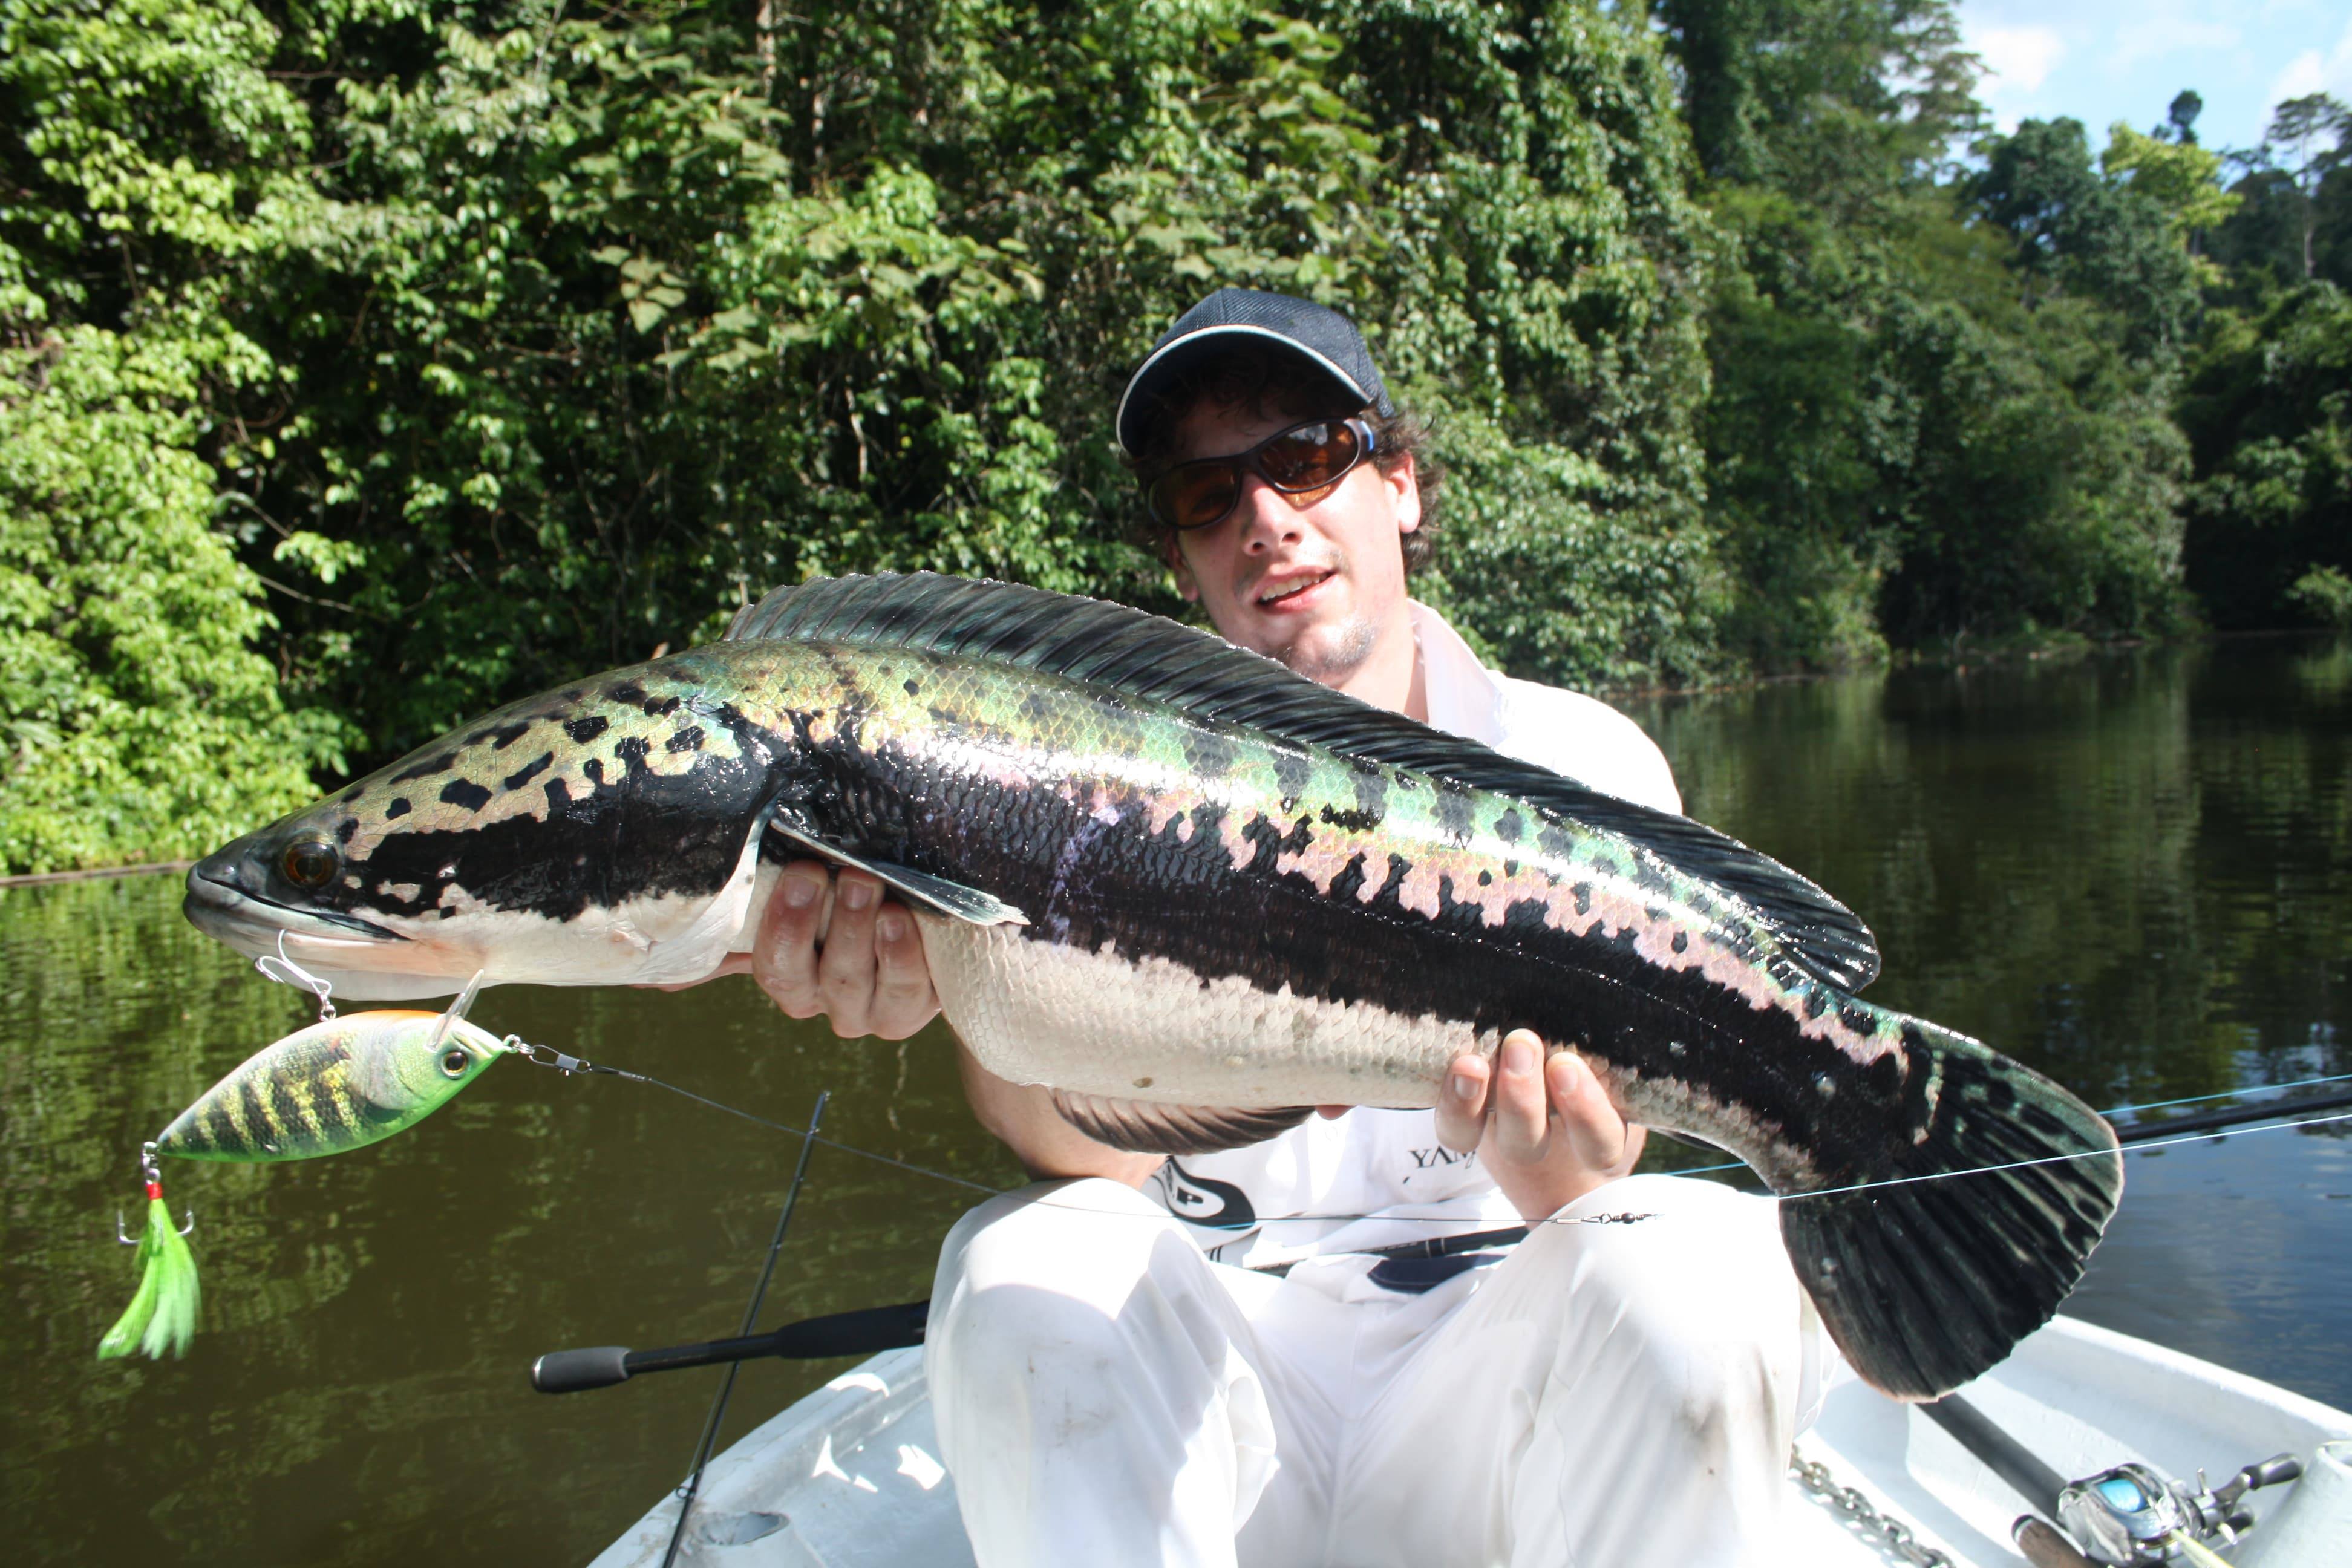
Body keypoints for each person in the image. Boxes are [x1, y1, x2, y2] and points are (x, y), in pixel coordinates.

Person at [734, 290, 1837, 1567]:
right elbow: (1093, 1167)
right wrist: (961, 994)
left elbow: (1596, 1198)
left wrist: (1554, 1156)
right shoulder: (1070, 779)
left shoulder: (1582, 766)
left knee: (1695, 1258)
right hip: (1226, 1382)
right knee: (1020, 1262)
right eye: (1208, 496)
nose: (1266, 519)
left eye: (1307, 457)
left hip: (1487, 1381)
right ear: (1181, 558)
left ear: (1402, 484)